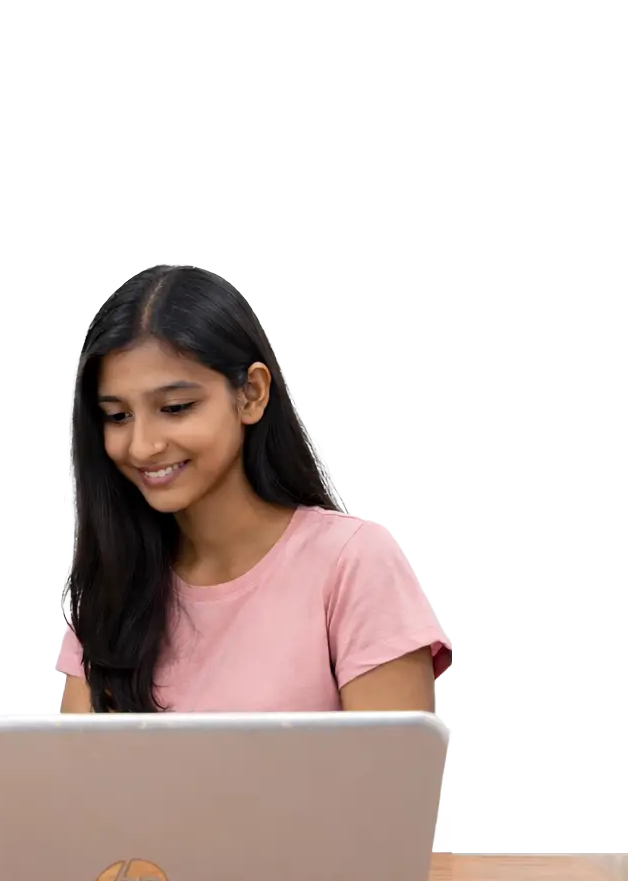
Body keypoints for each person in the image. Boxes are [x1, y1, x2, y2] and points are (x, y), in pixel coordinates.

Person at [57, 263, 451, 715]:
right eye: (117, 416)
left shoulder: (353, 564)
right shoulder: (112, 587)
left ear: (251, 394)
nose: (144, 445)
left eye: (176, 407)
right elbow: (75, 782)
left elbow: (395, 783)